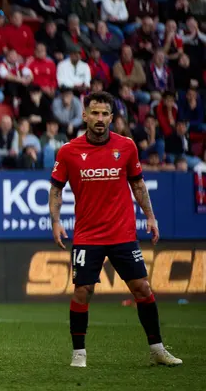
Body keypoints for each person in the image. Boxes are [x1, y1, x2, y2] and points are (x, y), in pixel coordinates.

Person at [48, 91, 182, 368]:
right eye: (94, 113)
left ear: (112, 117)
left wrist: (151, 217)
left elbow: (138, 184)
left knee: (142, 288)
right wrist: (56, 221)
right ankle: (79, 354)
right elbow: (56, 189)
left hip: (122, 234)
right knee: (82, 291)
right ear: (84, 115)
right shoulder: (68, 151)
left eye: (104, 114)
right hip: (88, 236)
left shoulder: (127, 147)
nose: (99, 119)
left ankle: (157, 349)